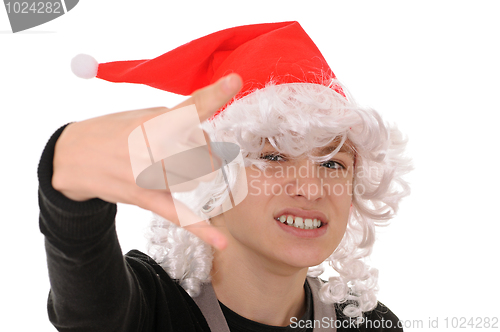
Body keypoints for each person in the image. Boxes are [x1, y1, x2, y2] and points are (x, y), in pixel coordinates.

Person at [39, 21, 411, 331]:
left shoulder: (366, 323)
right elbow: (89, 308)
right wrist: (72, 184)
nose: (311, 188)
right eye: (274, 157)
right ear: (214, 174)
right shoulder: (147, 307)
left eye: (332, 164)